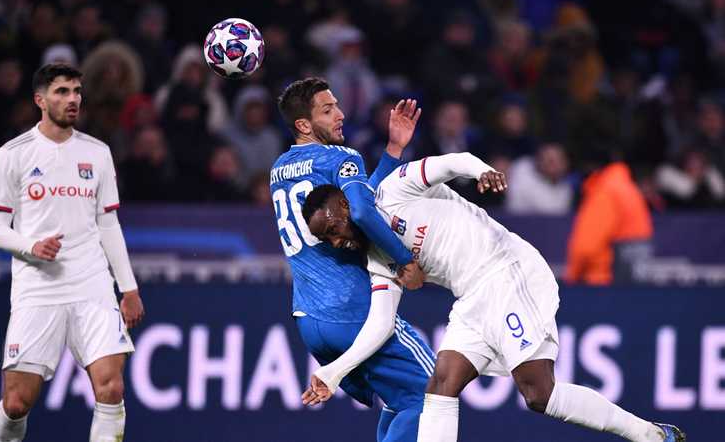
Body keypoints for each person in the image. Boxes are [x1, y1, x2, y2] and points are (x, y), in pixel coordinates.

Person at [300, 153, 685, 442]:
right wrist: (332, 375)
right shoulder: (377, 259)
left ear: (347, 205)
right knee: (440, 385)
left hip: (506, 269)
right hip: (472, 298)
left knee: (538, 394)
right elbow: (380, 325)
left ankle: (648, 435)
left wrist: (481, 170)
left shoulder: (395, 189)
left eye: (335, 227)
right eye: (328, 239)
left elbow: (452, 162)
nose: (338, 240)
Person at [0, 63, 144, 442]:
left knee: (112, 389)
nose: (72, 99)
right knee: (17, 402)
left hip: (91, 286)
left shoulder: (98, 153)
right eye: (61, 92)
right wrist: (31, 246)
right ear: (40, 100)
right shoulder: (14, 154)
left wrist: (129, 288)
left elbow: (108, 225)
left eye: (76, 91)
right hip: (37, 290)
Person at [271, 77, 431, 441]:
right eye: (328, 110)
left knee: (401, 400)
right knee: (431, 393)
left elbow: (358, 203)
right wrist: (404, 260)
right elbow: (359, 211)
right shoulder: (340, 157)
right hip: (353, 310)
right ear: (304, 125)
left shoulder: (279, 169)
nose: (341, 114)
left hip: (310, 321)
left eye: (337, 105)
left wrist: (392, 151)